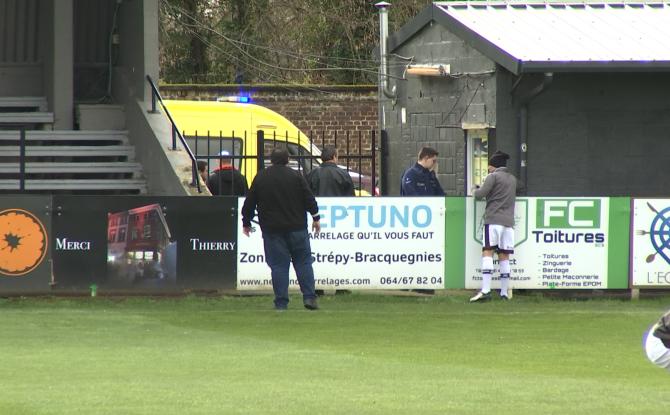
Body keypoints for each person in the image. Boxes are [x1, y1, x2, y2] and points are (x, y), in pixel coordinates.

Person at [241, 148, 321, 311]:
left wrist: (246, 221)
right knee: (303, 262)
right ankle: (309, 297)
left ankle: (281, 302)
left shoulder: (261, 177)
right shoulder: (296, 176)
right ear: (287, 160)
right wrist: (316, 217)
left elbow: (250, 202)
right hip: (297, 227)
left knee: (279, 266)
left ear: (271, 160)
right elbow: (308, 198)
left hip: (272, 229)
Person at [470, 150, 517, 302]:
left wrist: (474, 189)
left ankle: (485, 290)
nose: (488, 169)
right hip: (509, 223)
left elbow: (480, 194)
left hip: (494, 220)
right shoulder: (512, 179)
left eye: (489, 166)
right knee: (504, 256)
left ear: (493, 166)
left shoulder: (493, 176)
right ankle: (504, 293)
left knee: (488, 252)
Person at [308, 146, 354, 296]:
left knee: (318, 254)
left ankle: (318, 286)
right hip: (339, 220)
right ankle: (340, 285)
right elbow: (351, 200)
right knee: (340, 254)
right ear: (334, 156)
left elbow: (306, 196)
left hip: (317, 220)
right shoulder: (343, 174)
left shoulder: (312, 174)